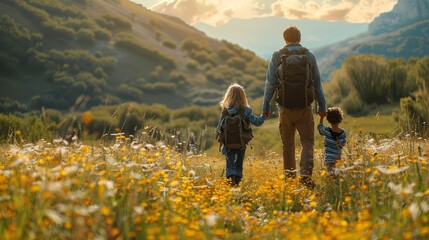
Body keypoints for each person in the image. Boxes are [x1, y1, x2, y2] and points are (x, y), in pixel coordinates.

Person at [261, 26, 326, 189]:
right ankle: (305, 176)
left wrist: (265, 107)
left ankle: (290, 180)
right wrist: (322, 106)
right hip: (305, 108)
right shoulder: (308, 55)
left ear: (285, 39)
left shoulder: (277, 55)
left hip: (284, 108)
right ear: (299, 38)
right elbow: (317, 83)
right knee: (307, 142)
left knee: (288, 144)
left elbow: (270, 84)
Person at [218, 83, 266, 186]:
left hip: (227, 142)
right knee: (239, 162)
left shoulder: (225, 110)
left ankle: (230, 181)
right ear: (242, 96)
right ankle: (237, 182)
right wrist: (264, 116)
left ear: (228, 95)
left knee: (229, 163)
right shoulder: (246, 110)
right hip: (241, 141)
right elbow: (257, 122)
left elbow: (219, 127)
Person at [317, 107, 347, 177]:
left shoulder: (327, 131)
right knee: (337, 175)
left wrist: (321, 118)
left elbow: (320, 128)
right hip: (338, 159)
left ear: (328, 120)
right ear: (340, 119)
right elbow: (343, 143)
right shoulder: (343, 133)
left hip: (329, 159)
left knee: (331, 176)